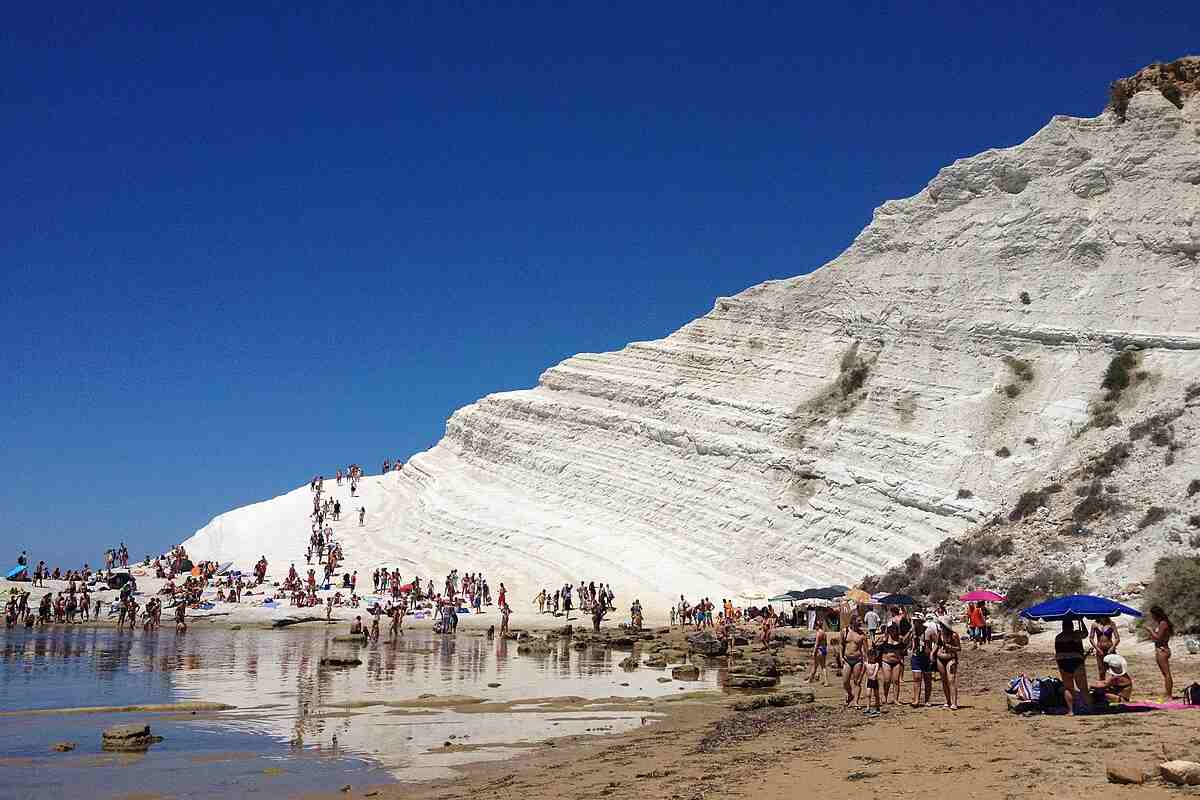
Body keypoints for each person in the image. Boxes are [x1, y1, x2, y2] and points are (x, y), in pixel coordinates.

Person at [1054, 618, 1089, 715]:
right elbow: (1085, 633)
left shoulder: (1058, 637)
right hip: (1076, 661)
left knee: (1068, 687)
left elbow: (1058, 653)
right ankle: (1087, 708)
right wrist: (1081, 621)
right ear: (1072, 626)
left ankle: (1070, 710)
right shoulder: (1076, 635)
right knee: (1083, 687)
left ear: (1063, 626)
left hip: (1063, 662)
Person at [934, 616, 961, 710]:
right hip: (940, 658)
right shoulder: (939, 634)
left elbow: (959, 648)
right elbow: (937, 645)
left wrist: (950, 647)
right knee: (944, 680)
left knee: (951, 680)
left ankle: (954, 703)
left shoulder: (954, 635)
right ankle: (948, 701)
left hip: (950, 658)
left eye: (942, 625)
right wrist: (932, 654)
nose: (940, 626)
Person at [1148, 606, 1174, 698]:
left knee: (1167, 673)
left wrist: (1150, 631)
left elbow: (1158, 638)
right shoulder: (1162, 623)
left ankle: (1169, 694)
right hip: (1162, 649)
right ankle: (1167, 693)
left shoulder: (1163, 624)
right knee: (1165, 673)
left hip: (1162, 650)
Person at [910, 613, 935, 707]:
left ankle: (927, 700)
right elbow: (906, 642)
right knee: (917, 678)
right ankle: (916, 700)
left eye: (916, 621)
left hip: (926, 658)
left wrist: (932, 653)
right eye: (914, 621)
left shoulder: (929, 631)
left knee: (927, 679)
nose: (915, 623)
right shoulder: (913, 632)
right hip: (916, 657)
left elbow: (937, 642)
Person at [841, 616, 866, 707]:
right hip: (847, 659)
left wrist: (865, 662)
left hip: (858, 660)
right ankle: (850, 694)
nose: (861, 622)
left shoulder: (862, 634)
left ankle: (856, 701)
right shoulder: (845, 631)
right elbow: (841, 645)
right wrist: (841, 657)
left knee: (857, 681)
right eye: (859, 620)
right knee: (845, 681)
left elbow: (865, 650)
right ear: (853, 621)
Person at [1090, 615, 1120, 679]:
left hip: (1110, 650)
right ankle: (1103, 686)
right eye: (1101, 616)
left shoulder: (1111, 624)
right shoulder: (1094, 624)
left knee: (1113, 669)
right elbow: (1091, 638)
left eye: (1104, 616)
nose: (1102, 618)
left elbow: (1117, 638)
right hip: (1100, 650)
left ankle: (1114, 685)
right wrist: (1097, 649)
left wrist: (1112, 648)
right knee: (1101, 671)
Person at [807, 619, 829, 686]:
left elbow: (816, 644)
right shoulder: (824, 633)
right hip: (824, 650)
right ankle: (825, 681)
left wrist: (814, 652)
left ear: (817, 626)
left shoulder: (818, 633)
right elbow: (826, 643)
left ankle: (810, 680)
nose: (814, 627)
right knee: (823, 667)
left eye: (815, 626)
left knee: (815, 666)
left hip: (819, 650)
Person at [863, 647, 882, 716]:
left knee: (876, 695)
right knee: (868, 694)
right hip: (869, 680)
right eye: (869, 656)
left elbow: (876, 671)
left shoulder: (876, 664)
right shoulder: (866, 664)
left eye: (872, 656)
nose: (871, 658)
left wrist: (874, 676)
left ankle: (877, 707)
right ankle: (868, 707)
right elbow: (863, 671)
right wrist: (859, 678)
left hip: (875, 681)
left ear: (875, 656)